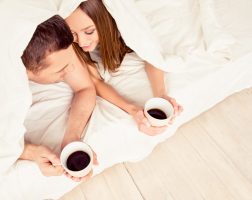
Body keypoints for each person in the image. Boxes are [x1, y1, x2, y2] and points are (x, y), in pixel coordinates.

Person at [65, 0, 183, 136]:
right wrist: (133, 110)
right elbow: (96, 81)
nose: (81, 42)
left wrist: (161, 95)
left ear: (105, 22)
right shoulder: (70, 43)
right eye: (72, 34)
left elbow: (150, 54)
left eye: (89, 31)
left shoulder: (123, 24)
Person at [19, 15, 97, 181]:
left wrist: (72, 137)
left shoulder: (53, 41)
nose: (69, 71)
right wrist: (31, 152)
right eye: (61, 70)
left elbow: (85, 88)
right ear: (27, 71)